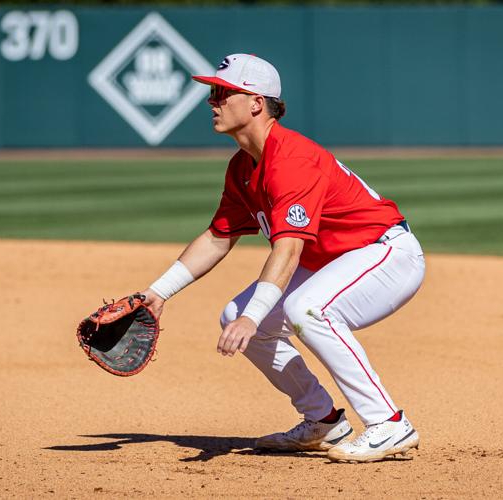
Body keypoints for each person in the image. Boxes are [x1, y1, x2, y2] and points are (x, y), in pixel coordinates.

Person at [140, 54, 425, 463]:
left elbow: (288, 249)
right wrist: (159, 293)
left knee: (305, 308)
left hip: (384, 254)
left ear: (256, 102)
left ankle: (389, 423)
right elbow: (218, 238)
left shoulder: (291, 159)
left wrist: (253, 316)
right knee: (235, 314)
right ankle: (322, 419)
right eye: (212, 92)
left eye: (222, 92)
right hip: (334, 259)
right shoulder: (243, 167)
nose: (212, 101)